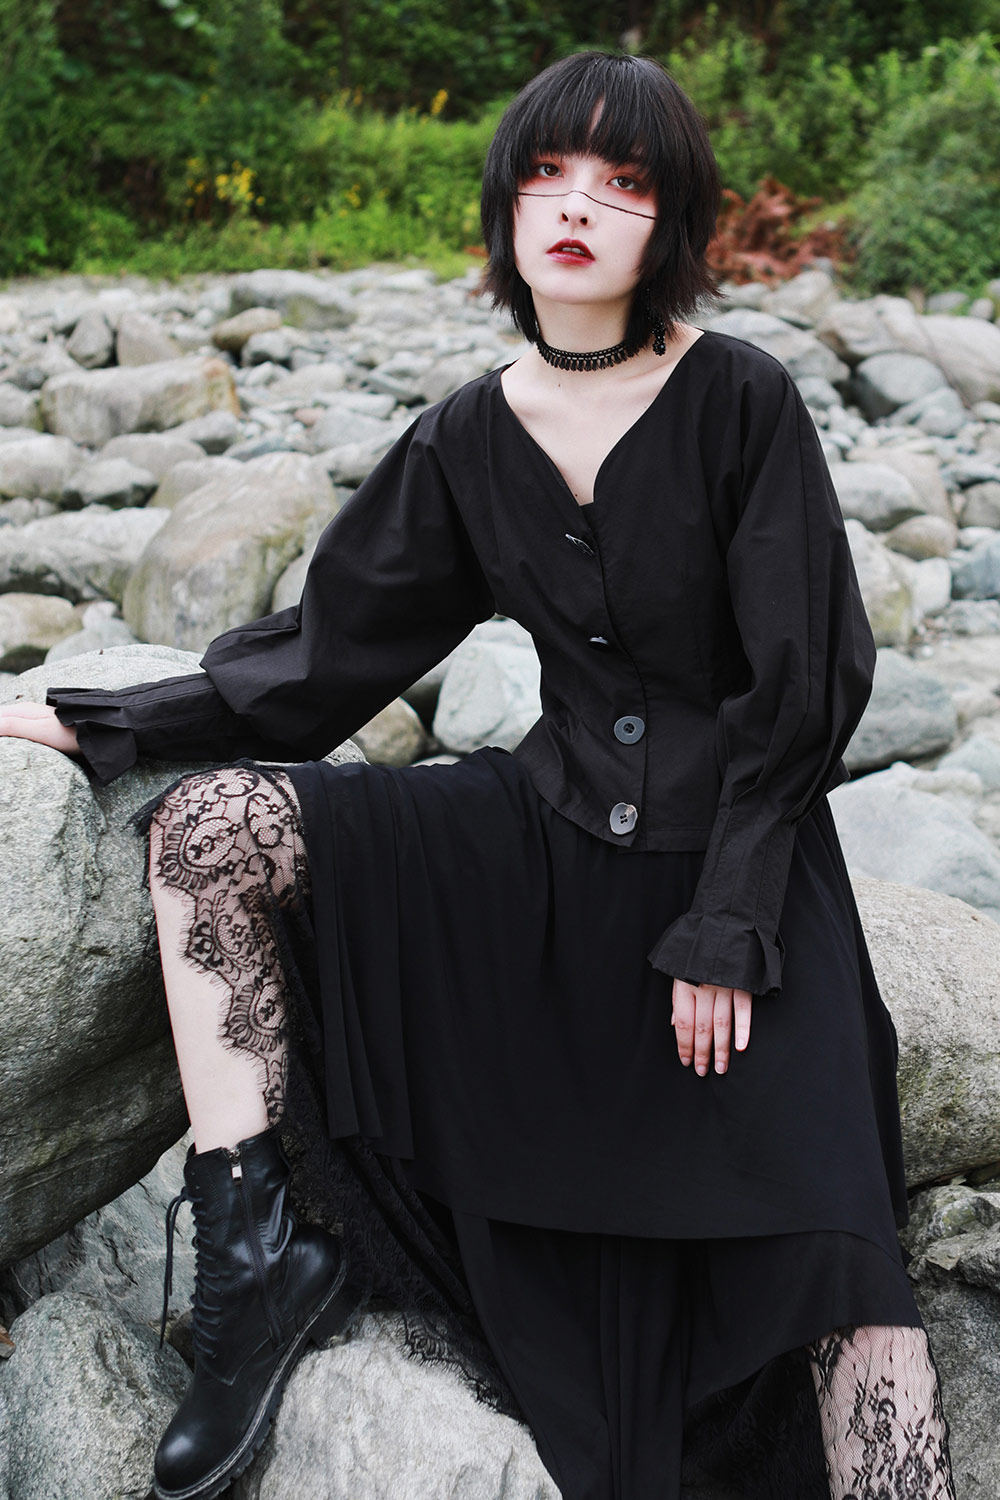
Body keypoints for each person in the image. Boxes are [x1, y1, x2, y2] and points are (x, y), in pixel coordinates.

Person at [0, 49, 957, 1500]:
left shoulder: (741, 399)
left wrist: (728, 922)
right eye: (548, 174)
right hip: (543, 840)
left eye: (624, 183)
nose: (578, 206)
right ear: (508, 205)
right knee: (208, 831)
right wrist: (102, 722)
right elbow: (327, 658)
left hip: (739, 870)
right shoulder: (465, 433)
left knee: (841, 1266)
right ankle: (256, 1269)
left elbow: (806, 687)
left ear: (671, 223)